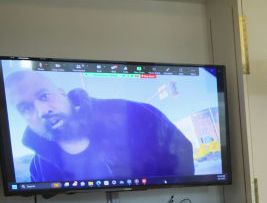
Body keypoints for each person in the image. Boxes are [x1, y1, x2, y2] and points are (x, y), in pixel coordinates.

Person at [5, 70, 194, 182]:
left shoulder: (138, 115)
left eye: (44, 96)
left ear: (62, 93)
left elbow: (181, 162)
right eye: (26, 108)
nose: (42, 111)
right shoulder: (38, 168)